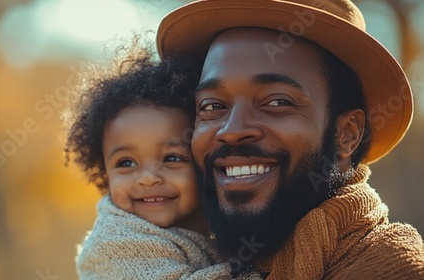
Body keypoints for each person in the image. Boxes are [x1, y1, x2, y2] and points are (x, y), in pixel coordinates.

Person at [156, 0, 424, 279]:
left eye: (277, 102)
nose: (232, 130)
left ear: (348, 133)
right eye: (212, 106)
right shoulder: (170, 257)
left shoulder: (396, 269)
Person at [65, 45, 262, 279]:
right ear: (104, 172)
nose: (148, 178)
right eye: (126, 163)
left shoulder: (209, 225)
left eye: (171, 158)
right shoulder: (115, 242)